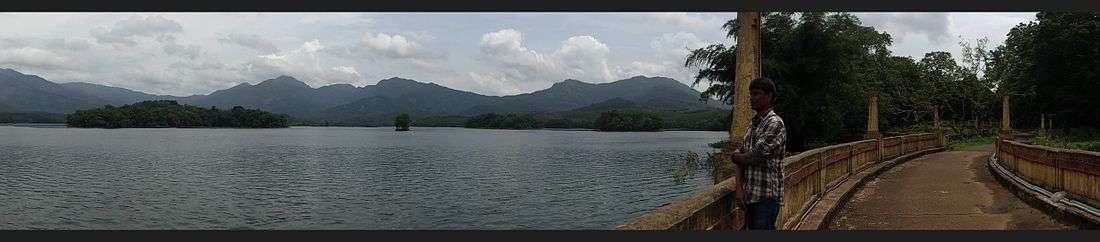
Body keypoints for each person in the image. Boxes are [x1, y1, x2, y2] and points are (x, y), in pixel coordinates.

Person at [731, 77, 787, 230]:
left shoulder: (774, 123)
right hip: (751, 196)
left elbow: (755, 157)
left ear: (769, 96)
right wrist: (739, 188)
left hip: (766, 197)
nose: (751, 98)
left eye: (756, 93)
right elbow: (742, 157)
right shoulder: (753, 124)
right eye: (751, 94)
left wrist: (735, 157)